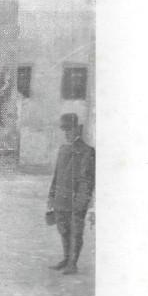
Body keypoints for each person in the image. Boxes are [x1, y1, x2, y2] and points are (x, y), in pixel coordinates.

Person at [47, 113, 95, 275]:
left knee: (75, 233)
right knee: (64, 231)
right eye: (64, 130)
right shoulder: (63, 149)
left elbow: (87, 181)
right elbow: (56, 175)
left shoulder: (87, 151)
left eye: (69, 130)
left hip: (75, 202)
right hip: (61, 200)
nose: (66, 133)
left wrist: (81, 203)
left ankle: (73, 264)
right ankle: (66, 259)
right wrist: (51, 196)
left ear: (77, 130)